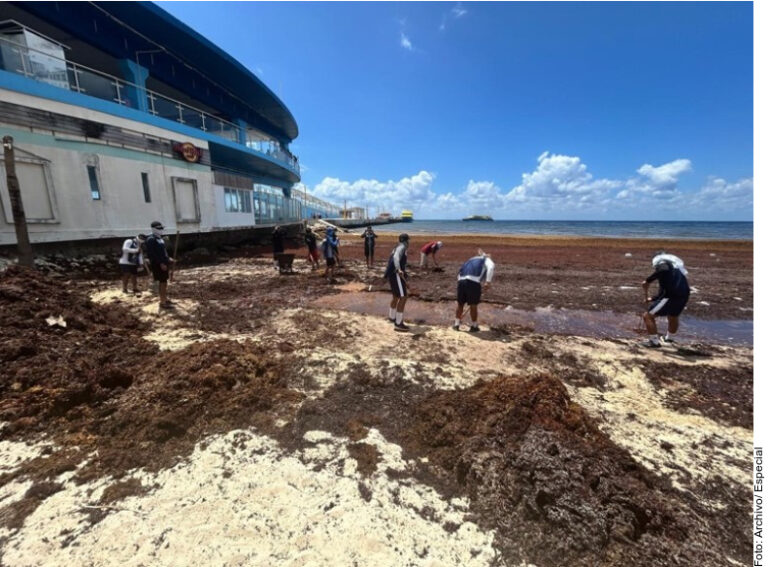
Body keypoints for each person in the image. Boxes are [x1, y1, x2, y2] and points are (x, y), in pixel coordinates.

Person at [640, 251, 690, 348]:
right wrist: (652, 299)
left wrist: (648, 281)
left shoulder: (663, 263)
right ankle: (669, 339)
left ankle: (653, 342)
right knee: (673, 316)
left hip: (671, 295)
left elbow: (663, 269)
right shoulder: (676, 268)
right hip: (684, 294)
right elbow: (664, 290)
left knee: (648, 316)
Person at [454, 250, 495, 333]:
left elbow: (460, 272)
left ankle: (456, 324)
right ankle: (474, 326)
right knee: (473, 305)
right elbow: (491, 267)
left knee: (460, 304)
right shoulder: (486, 259)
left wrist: (461, 281)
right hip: (473, 283)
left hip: (461, 281)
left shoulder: (470, 260)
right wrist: (488, 281)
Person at [144, 221, 175, 309]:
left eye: (162, 228)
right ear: (154, 229)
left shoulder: (160, 239)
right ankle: (162, 302)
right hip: (158, 264)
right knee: (162, 282)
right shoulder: (151, 239)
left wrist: (168, 258)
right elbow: (152, 254)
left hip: (164, 263)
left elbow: (163, 252)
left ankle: (165, 298)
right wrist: (161, 263)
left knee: (164, 282)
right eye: (159, 228)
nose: (161, 230)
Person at [384, 233, 411, 332]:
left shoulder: (396, 247)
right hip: (396, 274)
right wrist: (399, 269)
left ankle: (392, 317)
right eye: (408, 241)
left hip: (392, 274)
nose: (409, 243)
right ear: (405, 241)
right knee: (403, 297)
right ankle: (398, 324)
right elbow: (395, 258)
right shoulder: (402, 247)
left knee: (396, 297)